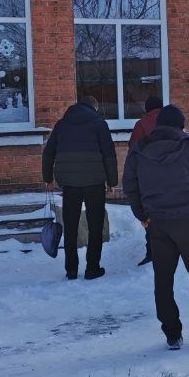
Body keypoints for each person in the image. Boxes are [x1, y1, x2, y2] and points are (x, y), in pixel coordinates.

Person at [123, 104, 189, 350]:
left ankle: (172, 335)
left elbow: (130, 186)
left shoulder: (140, 149)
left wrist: (142, 215)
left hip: (158, 224)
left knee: (163, 280)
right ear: (180, 125)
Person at [42, 96, 118, 280]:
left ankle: (71, 270)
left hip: (70, 184)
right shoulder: (99, 124)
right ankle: (92, 268)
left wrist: (48, 178)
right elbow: (109, 154)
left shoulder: (62, 125)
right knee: (95, 226)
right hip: (95, 183)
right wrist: (112, 182)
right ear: (94, 107)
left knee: (70, 226)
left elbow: (48, 152)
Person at [128, 95, 164, 266]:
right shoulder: (170, 122)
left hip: (149, 177)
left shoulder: (141, 124)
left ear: (147, 108)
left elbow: (133, 148)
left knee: (150, 215)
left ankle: (152, 252)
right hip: (172, 175)